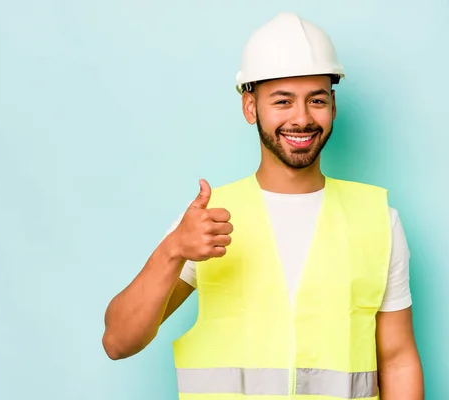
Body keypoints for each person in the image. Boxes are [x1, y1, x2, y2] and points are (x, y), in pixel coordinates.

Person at [102, 12, 424, 400]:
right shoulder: (208, 220)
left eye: (316, 100)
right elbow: (118, 342)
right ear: (250, 107)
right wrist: (173, 250)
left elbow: (398, 359)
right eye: (283, 101)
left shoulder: (378, 220)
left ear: (333, 106)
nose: (302, 118)